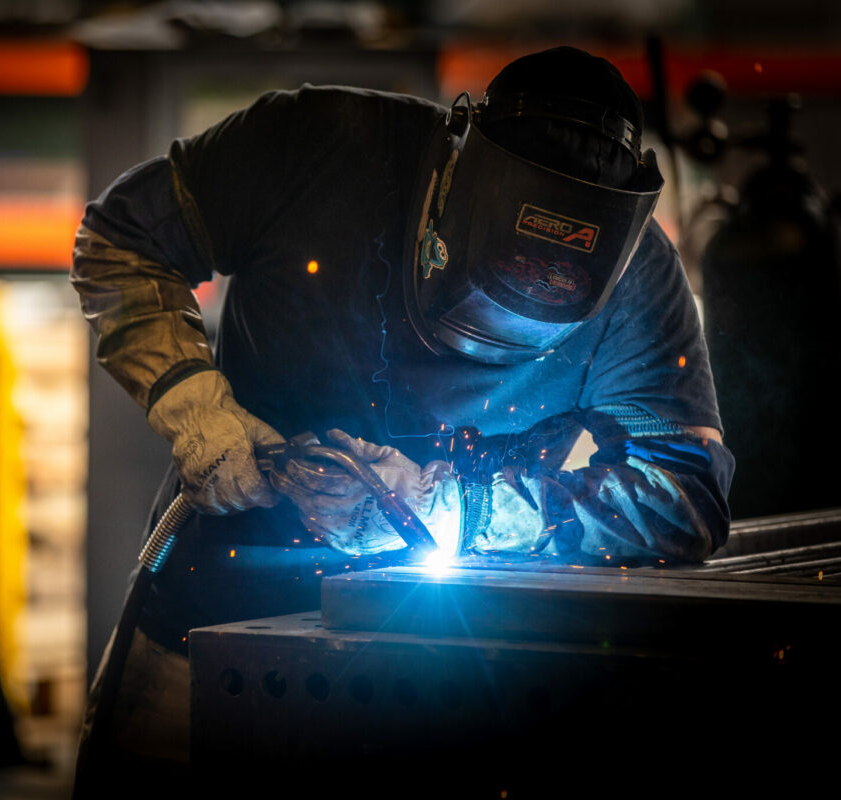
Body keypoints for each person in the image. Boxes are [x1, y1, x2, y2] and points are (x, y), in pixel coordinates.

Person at [69, 46, 735, 785]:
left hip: (449, 671)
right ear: (453, 171)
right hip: (204, 633)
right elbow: (121, 237)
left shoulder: (639, 272)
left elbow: (686, 494)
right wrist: (193, 405)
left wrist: (454, 508)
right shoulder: (318, 143)